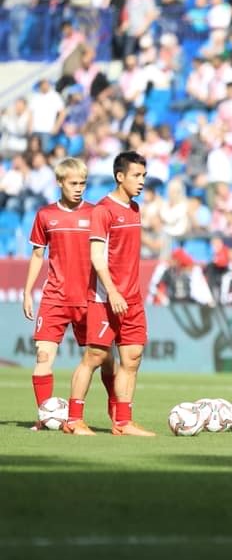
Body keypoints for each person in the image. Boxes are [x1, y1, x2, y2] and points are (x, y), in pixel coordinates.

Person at [64, 151, 155, 436]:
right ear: (120, 176)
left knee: (132, 358)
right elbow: (96, 257)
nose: (141, 181)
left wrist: (127, 294)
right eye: (136, 176)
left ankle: (123, 421)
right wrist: (113, 292)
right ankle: (73, 420)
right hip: (106, 299)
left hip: (132, 299)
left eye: (143, 176)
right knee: (94, 356)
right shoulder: (103, 210)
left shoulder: (135, 209)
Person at [23, 158, 116, 431]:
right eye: (73, 183)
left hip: (90, 298)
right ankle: (45, 416)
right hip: (55, 297)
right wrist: (28, 291)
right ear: (60, 182)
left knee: (106, 359)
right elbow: (38, 255)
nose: (79, 188)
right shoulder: (45, 215)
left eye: (83, 183)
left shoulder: (97, 213)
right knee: (43, 355)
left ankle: (118, 417)